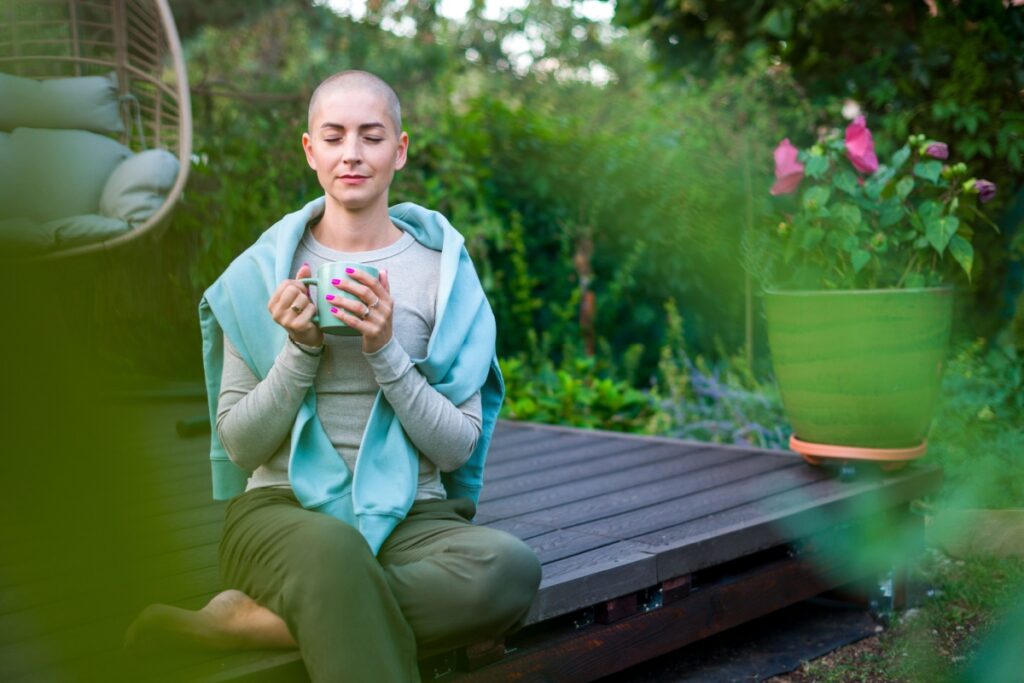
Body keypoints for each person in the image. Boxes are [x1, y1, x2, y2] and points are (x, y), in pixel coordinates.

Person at [124, 70, 542, 682]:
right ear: (310, 149)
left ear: (399, 150)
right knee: (335, 551)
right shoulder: (262, 274)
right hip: (280, 511)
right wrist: (299, 351)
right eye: (335, 135)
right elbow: (241, 447)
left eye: (372, 137)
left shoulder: (443, 277)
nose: (352, 153)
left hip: (410, 515)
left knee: (508, 569)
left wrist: (385, 352)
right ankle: (325, 599)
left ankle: (248, 622)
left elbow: (457, 446)